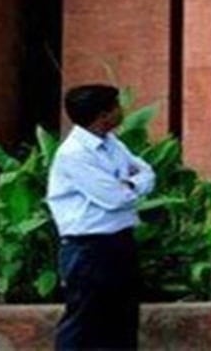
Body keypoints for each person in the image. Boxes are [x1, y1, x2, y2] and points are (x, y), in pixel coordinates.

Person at [47, 84, 156, 350]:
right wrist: (132, 184)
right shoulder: (75, 153)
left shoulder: (112, 143)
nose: (122, 110)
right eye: (117, 105)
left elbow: (147, 172)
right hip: (88, 249)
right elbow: (114, 198)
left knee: (122, 318)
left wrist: (130, 184)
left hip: (119, 241)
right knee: (84, 321)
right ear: (103, 115)